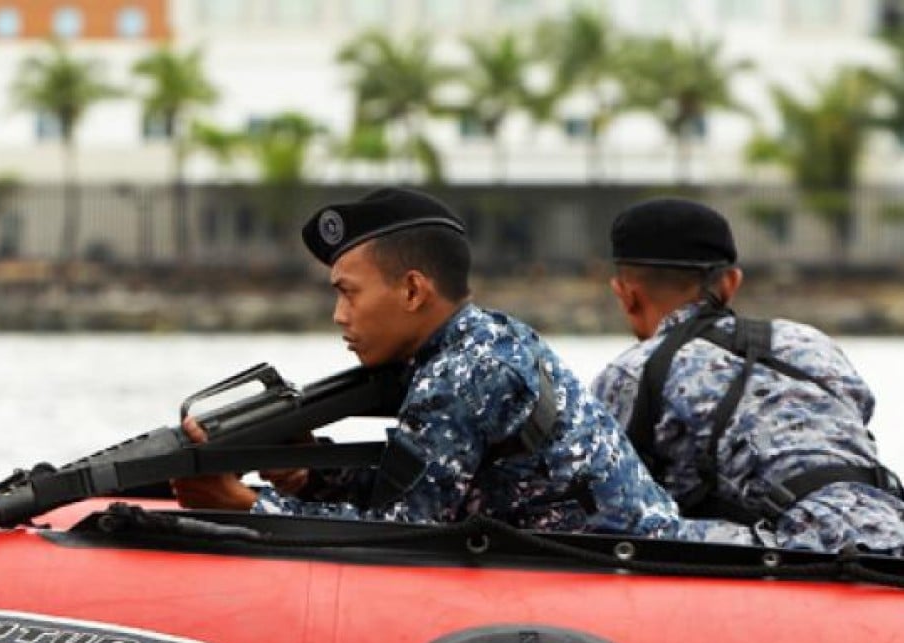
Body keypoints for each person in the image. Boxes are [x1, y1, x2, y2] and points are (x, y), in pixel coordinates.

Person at [172, 186, 683, 538]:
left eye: (349, 293)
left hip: (637, 572)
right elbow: (427, 484)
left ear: (413, 290)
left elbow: (404, 534)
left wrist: (242, 505)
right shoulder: (484, 339)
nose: (339, 315)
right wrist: (311, 475)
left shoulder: (464, 374)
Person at [591, 196, 904, 553]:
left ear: (627, 294)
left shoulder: (630, 373)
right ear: (730, 283)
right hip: (892, 529)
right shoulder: (810, 343)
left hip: (792, 550)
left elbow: (601, 494)